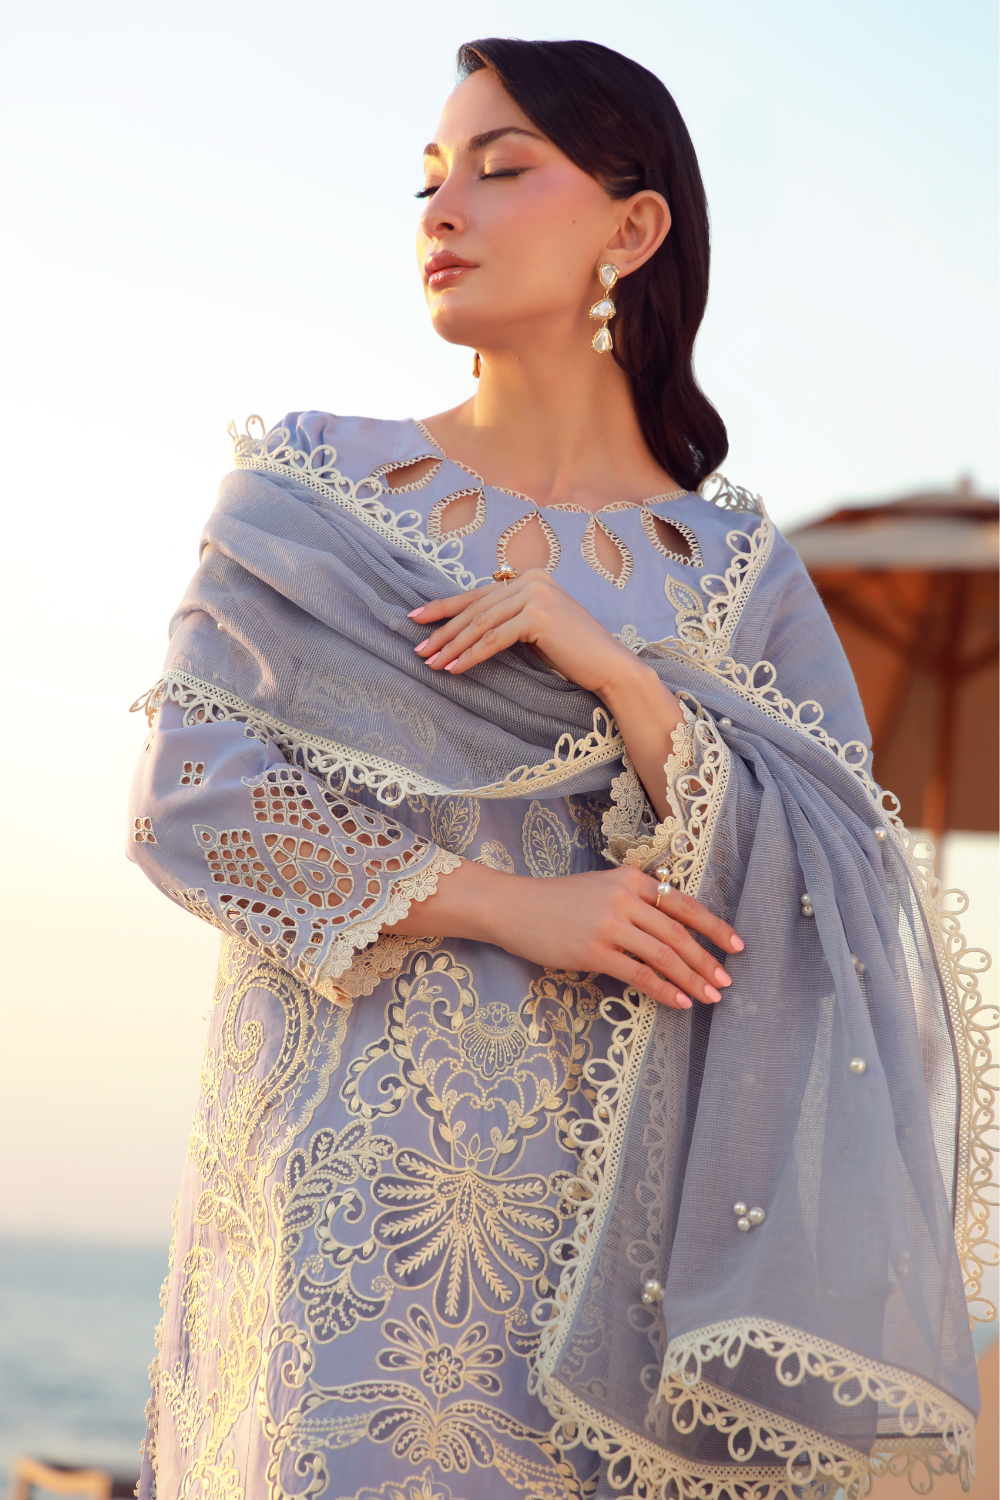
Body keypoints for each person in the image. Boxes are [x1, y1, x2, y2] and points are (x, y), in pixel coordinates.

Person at [129, 37, 990, 1500]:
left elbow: (839, 891)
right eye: (428, 179)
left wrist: (623, 677)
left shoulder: (738, 577)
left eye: (502, 166)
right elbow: (189, 800)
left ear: (631, 228)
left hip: (632, 1271)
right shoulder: (307, 491)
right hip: (357, 1227)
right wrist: (518, 907)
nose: (443, 209)